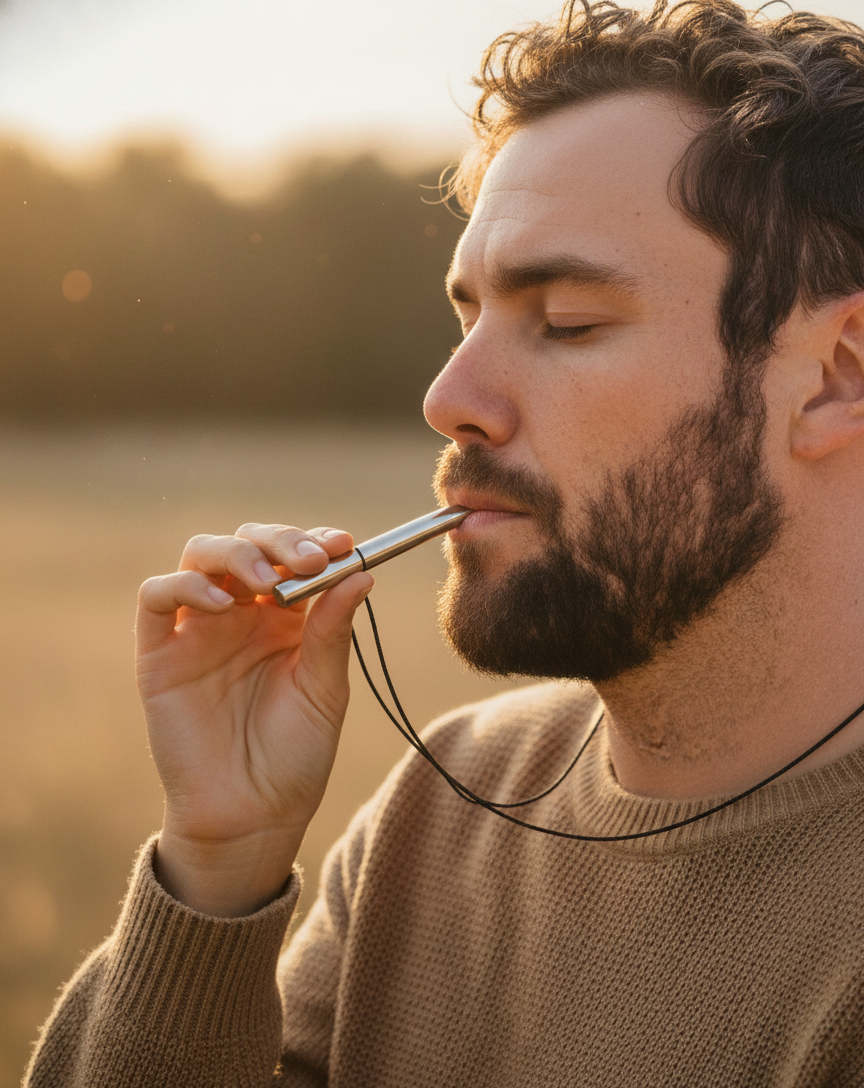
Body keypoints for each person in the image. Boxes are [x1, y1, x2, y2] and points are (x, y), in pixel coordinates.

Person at [25, 0, 864, 1083]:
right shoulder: (446, 799)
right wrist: (218, 864)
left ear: (838, 373)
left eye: (565, 322)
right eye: (464, 319)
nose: (449, 397)